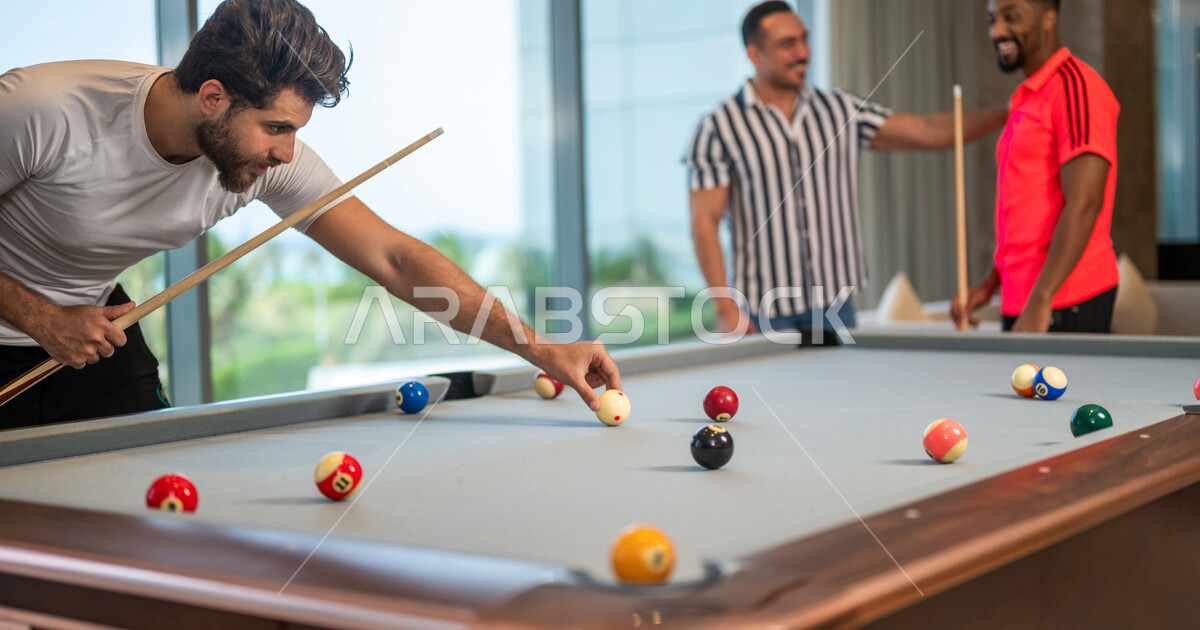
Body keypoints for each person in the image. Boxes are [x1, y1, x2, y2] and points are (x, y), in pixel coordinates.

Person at [0, 0, 619, 428]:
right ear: (213, 97)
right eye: (276, 127)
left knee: (152, 511)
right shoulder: (43, 110)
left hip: (89, 334)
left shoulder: (267, 158)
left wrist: (542, 350)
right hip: (39, 322)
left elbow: (394, 258)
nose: (287, 152)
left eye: (296, 129)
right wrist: (41, 317)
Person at [685, 1, 1009, 341]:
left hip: (835, 309)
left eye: (804, 39)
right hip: (764, 312)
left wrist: (1006, 112)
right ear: (755, 55)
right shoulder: (718, 127)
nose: (803, 52)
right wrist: (725, 309)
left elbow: (926, 130)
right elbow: (704, 224)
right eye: (787, 44)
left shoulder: (840, 109)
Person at [953, 0, 1119, 333]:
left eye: (1010, 17)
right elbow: (1025, 213)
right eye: (992, 19)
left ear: (1049, 19)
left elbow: (1085, 204)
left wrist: (1042, 298)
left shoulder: (1075, 86)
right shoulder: (1026, 98)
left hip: (1065, 300)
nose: (996, 31)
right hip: (1025, 301)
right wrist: (990, 284)